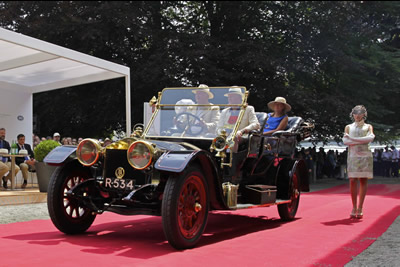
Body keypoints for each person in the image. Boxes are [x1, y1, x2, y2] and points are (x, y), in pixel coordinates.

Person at [342, 105, 375, 219]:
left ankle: (360, 207)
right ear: (353, 114)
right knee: (352, 180)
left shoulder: (368, 127)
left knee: (363, 180)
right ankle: (354, 206)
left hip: (365, 156)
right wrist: (360, 141)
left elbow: (370, 138)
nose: (357, 115)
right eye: (355, 113)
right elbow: (345, 141)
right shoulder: (348, 127)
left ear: (363, 114)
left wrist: (353, 140)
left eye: (359, 113)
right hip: (353, 156)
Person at [217, 86, 260, 152]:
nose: (230, 98)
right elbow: (219, 127)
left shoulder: (248, 109)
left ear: (240, 98)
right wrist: (223, 134)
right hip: (226, 136)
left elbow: (256, 124)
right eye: (229, 96)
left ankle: (231, 159)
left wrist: (241, 131)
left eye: (233, 96)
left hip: (240, 136)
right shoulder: (224, 111)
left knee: (234, 138)